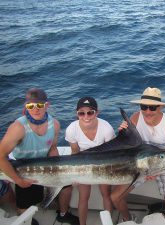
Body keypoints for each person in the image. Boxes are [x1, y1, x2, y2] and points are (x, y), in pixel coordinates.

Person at [0, 88, 79, 225]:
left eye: (40, 105)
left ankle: (62, 213)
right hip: (23, 170)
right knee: (25, 204)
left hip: (45, 166)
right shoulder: (18, 127)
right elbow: (1, 156)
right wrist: (18, 180)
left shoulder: (54, 124)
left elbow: (53, 149)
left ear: (47, 105)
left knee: (67, 186)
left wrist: (61, 173)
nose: (35, 109)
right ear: (26, 106)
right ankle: (25, 221)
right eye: (31, 106)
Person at [114, 87, 165, 221]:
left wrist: (156, 171)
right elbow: (126, 146)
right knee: (115, 197)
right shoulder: (135, 118)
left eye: (152, 108)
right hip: (139, 164)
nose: (147, 111)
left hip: (164, 163)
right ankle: (128, 220)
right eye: (144, 107)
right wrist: (121, 133)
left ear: (160, 108)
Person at [65, 96, 115, 225]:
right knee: (83, 197)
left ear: (97, 112)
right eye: (81, 113)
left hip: (103, 166)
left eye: (90, 112)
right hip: (83, 167)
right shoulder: (71, 129)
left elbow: (112, 154)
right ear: (77, 114)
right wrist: (74, 175)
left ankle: (108, 222)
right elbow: (75, 153)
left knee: (106, 194)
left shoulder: (106, 128)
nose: (86, 116)